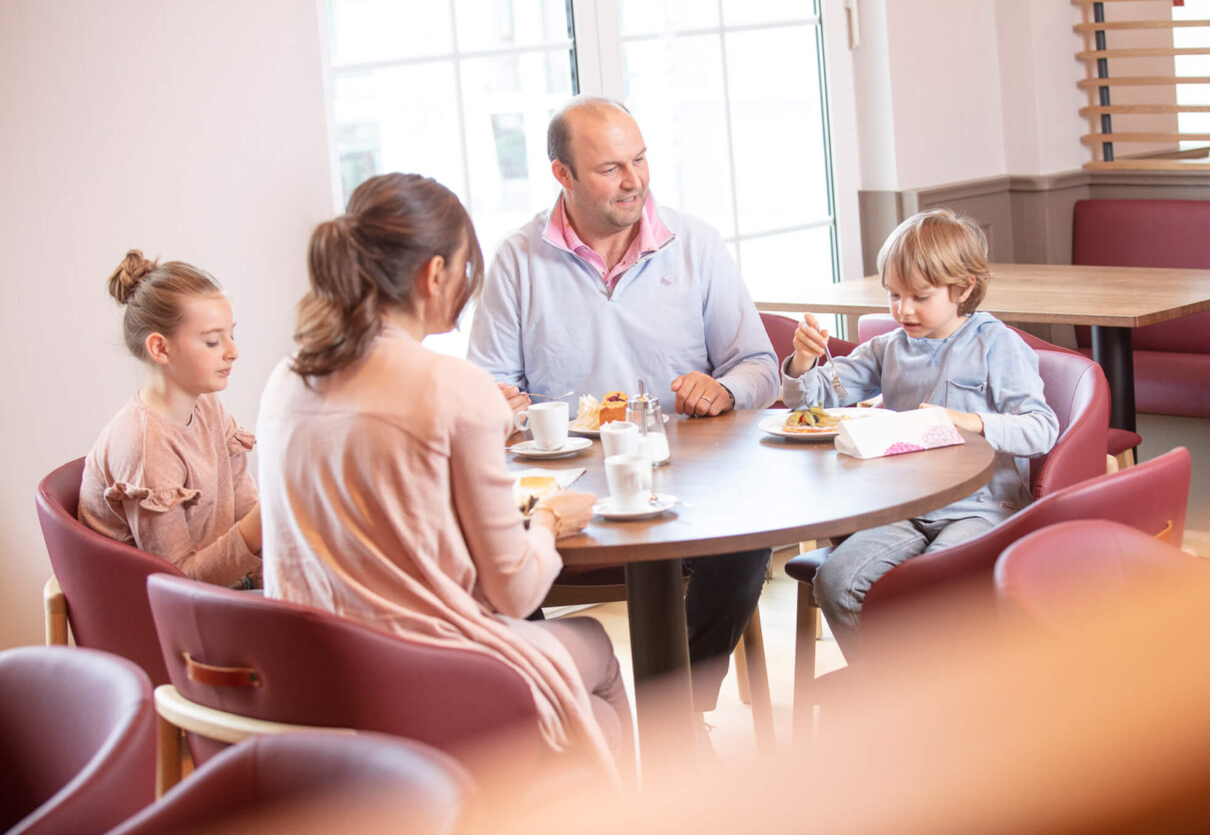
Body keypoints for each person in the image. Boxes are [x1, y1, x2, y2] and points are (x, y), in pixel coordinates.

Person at [256, 173, 629, 779]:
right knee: (598, 655)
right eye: (462, 272)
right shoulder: (452, 387)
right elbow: (515, 592)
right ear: (434, 274)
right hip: (424, 683)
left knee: (596, 720)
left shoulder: (286, 379)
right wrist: (550, 521)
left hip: (312, 687)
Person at [467, 96, 778, 729]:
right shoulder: (517, 260)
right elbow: (487, 387)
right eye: (610, 168)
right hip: (566, 493)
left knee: (748, 543)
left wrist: (726, 390)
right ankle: (564, 720)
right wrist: (496, 403)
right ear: (564, 175)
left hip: (687, 487)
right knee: (484, 550)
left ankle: (678, 721)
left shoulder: (697, 244)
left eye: (639, 160)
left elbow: (759, 365)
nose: (634, 180)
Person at [782, 208, 1059, 658]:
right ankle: (898, 698)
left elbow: (1041, 429)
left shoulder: (997, 345)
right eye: (893, 294)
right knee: (836, 580)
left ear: (963, 289)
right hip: (904, 508)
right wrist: (801, 360)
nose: (902, 309)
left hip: (981, 508)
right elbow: (812, 402)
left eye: (919, 296)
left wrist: (973, 421)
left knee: (934, 590)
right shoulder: (888, 347)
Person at [79, 251, 262, 589]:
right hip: (165, 618)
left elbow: (246, 510)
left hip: (224, 589)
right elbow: (179, 585)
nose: (232, 351)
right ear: (161, 349)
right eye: (212, 340)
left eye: (231, 335)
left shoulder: (208, 406)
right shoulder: (145, 446)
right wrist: (266, 522)